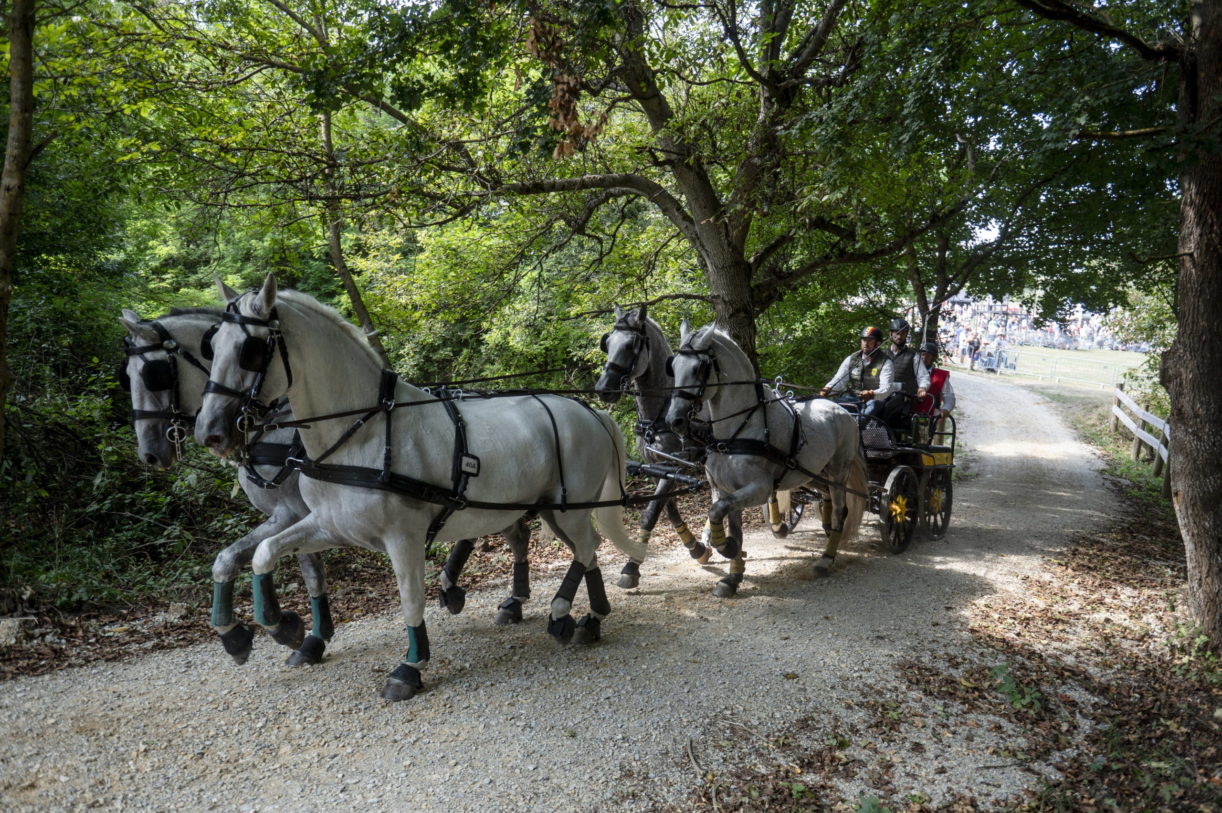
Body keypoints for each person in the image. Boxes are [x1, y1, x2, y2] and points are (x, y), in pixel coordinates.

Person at [820, 325, 894, 421]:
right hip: (853, 398)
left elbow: (886, 389)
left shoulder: (886, 363)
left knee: (864, 417)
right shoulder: (852, 358)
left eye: (870, 340)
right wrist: (828, 388)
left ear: (878, 343)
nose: (865, 343)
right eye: (863, 340)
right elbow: (839, 379)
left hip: (874, 400)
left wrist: (871, 393)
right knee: (831, 408)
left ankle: (860, 432)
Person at [880, 317, 930, 431]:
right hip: (880, 393)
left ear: (906, 335)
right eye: (897, 333)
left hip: (902, 397)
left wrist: (922, 388)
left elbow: (923, 376)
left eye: (903, 333)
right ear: (890, 334)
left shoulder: (913, 355)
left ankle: (880, 434)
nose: (899, 336)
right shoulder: (880, 354)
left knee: (890, 407)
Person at [915, 341, 955, 437]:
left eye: (928, 355)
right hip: (907, 413)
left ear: (934, 358)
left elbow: (949, 398)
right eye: (922, 354)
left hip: (928, 418)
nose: (924, 357)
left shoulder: (940, 376)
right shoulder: (909, 372)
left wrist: (945, 409)